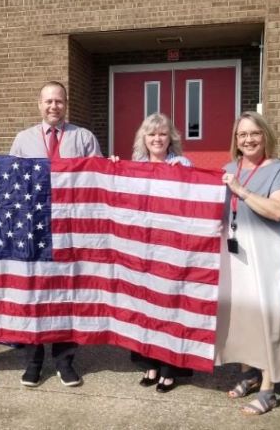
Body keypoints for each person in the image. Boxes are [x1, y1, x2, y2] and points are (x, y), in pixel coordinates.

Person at [9, 81, 102, 388]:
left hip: (71, 231)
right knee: (34, 294)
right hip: (33, 230)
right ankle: (33, 363)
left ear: (66, 105)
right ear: (39, 104)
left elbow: (99, 180)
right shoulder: (23, 140)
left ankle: (65, 362)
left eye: (59, 101)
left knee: (66, 295)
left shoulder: (84, 137)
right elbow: (10, 183)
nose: (54, 106)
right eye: (48, 101)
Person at [215, 111, 280, 415]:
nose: (248, 140)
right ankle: (250, 374)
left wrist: (242, 191)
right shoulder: (228, 168)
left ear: (265, 136)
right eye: (242, 135)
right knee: (240, 314)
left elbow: (277, 210)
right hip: (234, 252)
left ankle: (269, 387)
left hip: (266, 253)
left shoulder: (279, 169)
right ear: (235, 141)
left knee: (267, 315)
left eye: (254, 134)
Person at [125, 113, 193, 393]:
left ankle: (169, 369)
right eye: (151, 134)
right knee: (147, 308)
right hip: (143, 248)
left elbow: (192, 203)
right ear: (144, 138)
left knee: (169, 307)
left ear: (171, 138)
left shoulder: (183, 165)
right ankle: (150, 364)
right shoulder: (135, 167)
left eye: (162, 134)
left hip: (173, 247)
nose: (157, 139)